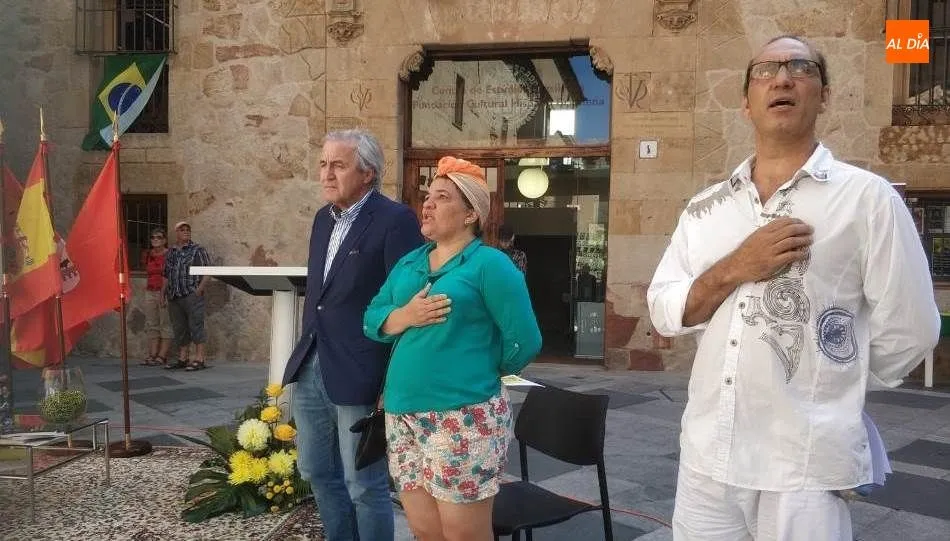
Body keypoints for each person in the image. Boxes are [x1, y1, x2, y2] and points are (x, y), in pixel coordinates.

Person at [647, 35, 940, 541]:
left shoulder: (866, 200)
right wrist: (734, 266)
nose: (782, 79)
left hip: (802, 465)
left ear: (823, 94)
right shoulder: (705, 208)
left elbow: (911, 329)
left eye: (800, 68)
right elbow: (664, 308)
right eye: (765, 70)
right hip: (707, 456)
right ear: (745, 102)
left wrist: (831, 391)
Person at [364, 156, 542, 541]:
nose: (426, 204)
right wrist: (407, 315)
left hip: (463, 418)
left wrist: (479, 371)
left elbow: (525, 341)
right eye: (427, 196)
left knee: (464, 536)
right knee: (425, 532)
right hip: (402, 415)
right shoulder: (409, 263)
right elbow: (372, 319)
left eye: (441, 197)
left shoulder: (490, 265)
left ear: (469, 214)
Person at [281, 129, 424, 541]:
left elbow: (406, 300)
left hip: (361, 370)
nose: (327, 173)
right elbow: (320, 296)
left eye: (338, 165)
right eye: (324, 163)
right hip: (312, 363)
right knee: (317, 472)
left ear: (368, 173)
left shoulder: (395, 221)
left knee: (364, 482)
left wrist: (389, 380)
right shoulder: (321, 220)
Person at [163, 220, 212, 371]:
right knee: (179, 327)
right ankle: (182, 358)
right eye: (182, 229)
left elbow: (207, 271)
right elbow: (166, 274)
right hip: (174, 294)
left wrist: (199, 289)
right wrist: (162, 293)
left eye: (187, 229)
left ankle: (200, 358)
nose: (185, 231)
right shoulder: (171, 252)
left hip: (191, 293)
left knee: (196, 325)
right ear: (176, 233)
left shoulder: (197, 250)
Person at [140, 227, 172, 367]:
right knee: (152, 323)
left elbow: (170, 274)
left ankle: (162, 355)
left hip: (164, 291)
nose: (155, 240)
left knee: (165, 323)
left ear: (164, 240)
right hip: (150, 291)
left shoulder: (169, 254)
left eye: (159, 237)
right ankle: (152, 354)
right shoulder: (147, 254)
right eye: (153, 237)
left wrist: (164, 293)